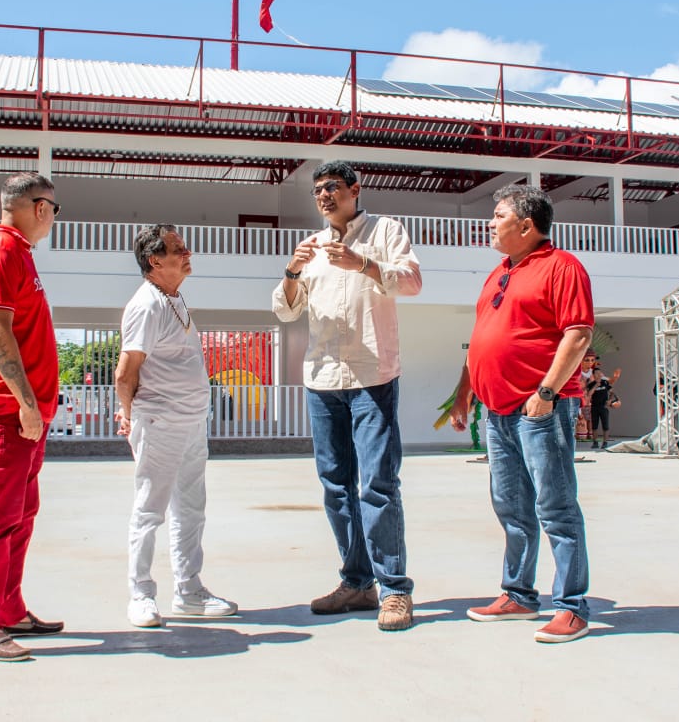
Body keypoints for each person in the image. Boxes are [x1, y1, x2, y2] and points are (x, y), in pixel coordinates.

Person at [272, 160, 422, 632]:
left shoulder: (385, 230)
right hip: (321, 380)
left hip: (372, 376)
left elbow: (413, 281)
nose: (323, 196)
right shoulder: (311, 247)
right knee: (336, 487)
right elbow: (284, 310)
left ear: (356, 189)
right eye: (317, 189)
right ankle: (357, 583)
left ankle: (395, 589)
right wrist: (293, 270)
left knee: (377, 484)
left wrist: (364, 264)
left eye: (332, 187)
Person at [451, 184, 594, 644]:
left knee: (555, 505)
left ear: (526, 225)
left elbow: (578, 335)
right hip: (496, 411)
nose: (490, 223)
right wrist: (463, 394)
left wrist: (547, 392)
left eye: (498, 216)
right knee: (511, 507)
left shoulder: (562, 267)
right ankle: (519, 595)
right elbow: (481, 340)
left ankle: (571, 607)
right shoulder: (497, 274)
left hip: (540, 409)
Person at [0, 172, 64, 662]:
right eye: (55, 210)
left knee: (20, 516)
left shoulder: (20, 253)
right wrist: (25, 403)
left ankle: (9, 608)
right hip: (6, 412)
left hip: (26, 413)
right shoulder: (2, 253)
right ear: (40, 207)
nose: (53, 220)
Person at [115, 225, 237, 628]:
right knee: (150, 511)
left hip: (190, 421)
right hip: (160, 420)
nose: (188, 253)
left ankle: (189, 591)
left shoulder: (174, 298)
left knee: (191, 510)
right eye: (178, 249)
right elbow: (126, 370)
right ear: (155, 261)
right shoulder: (146, 305)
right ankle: (140, 595)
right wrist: (128, 414)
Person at [584, 367, 619, 450]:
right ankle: (595, 442)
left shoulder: (605, 383)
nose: (599, 375)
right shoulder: (591, 384)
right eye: (597, 373)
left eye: (600, 373)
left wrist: (610, 400)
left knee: (605, 425)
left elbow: (612, 392)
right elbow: (589, 394)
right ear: (593, 375)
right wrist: (596, 385)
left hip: (603, 407)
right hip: (594, 407)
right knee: (594, 426)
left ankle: (605, 442)